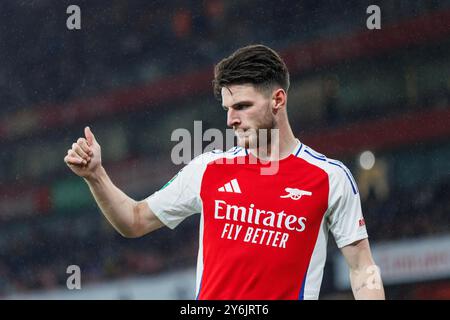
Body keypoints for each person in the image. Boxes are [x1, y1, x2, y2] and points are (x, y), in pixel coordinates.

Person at [64, 44, 385, 300]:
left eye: (242, 106)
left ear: (278, 100)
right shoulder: (208, 169)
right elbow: (134, 221)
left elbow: (361, 269)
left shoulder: (330, 178)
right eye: (228, 109)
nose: (231, 119)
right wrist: (96, 176)